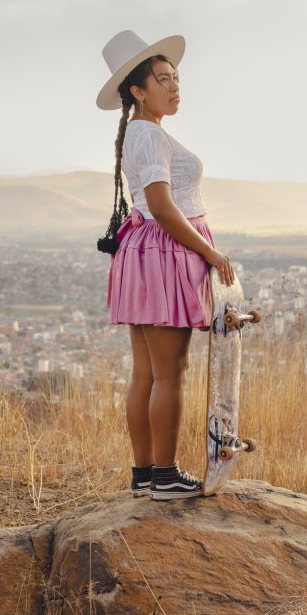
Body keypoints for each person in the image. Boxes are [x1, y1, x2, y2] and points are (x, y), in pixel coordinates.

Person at [96, 30, 234, 500]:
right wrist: (209, 251)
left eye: (176, 78)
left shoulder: (140, 133)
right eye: (163, 79)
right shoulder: (150, 136)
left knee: (147, 374)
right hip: (164, 253)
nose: (174, 87)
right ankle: (166, 475)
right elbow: (161, 203)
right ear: (138, 90)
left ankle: (144, 475)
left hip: (144, 253)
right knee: (170, 372)